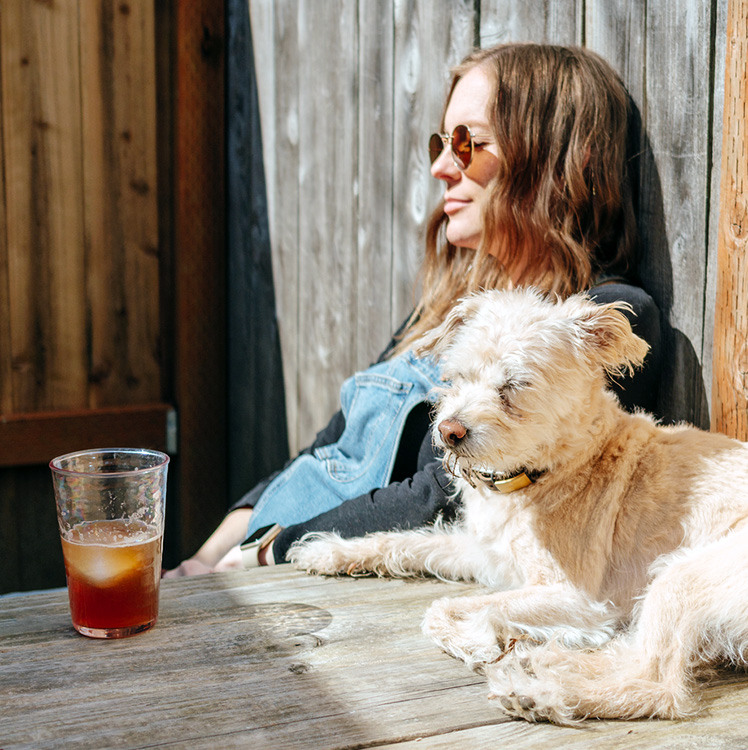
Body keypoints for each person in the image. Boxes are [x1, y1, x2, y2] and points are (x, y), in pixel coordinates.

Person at [166, 42, 664, 576]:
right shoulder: (453, 308)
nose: (441, 168)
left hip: (320, 577)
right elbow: (330, 446)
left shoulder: (603, 323)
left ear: (568, 155)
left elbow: (443, 495)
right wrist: (205, 558)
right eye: (441, 143)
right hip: (250, 560)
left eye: (467, 143)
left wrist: (272, 550)